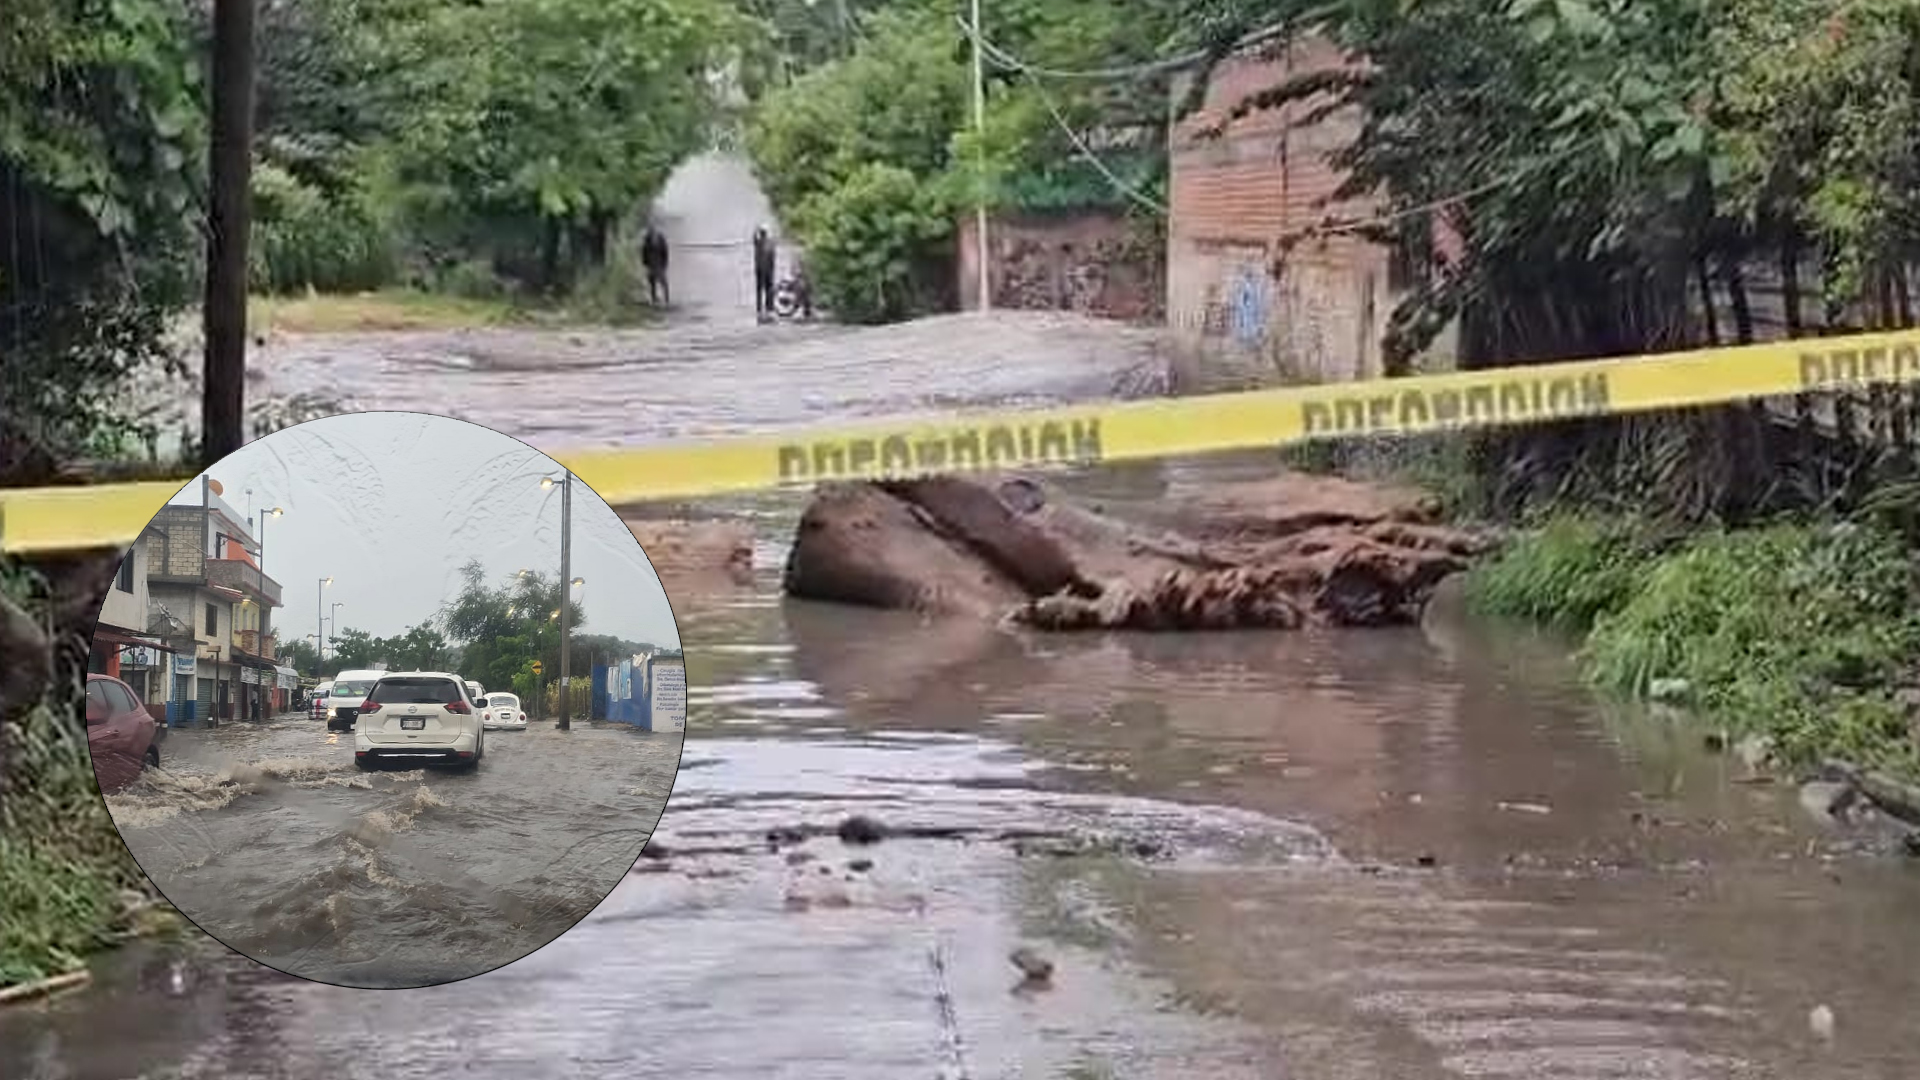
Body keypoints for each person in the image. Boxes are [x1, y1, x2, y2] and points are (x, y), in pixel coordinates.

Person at [641, 225, 670, 306]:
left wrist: (665, 263)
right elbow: (644, 251)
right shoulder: (648, 239)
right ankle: (654, 299)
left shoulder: (660, 239)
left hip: (658, 263)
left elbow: (665, 252)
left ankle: (666, 299)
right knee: (652, 282)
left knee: (662, 281)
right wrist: (645, 263)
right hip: (652, 263)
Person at [752, 226, 776, 319]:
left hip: (764, 270)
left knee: (766, 290)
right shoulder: (764, 243)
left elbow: (773, 258)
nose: (763, 235)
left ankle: (767, 308)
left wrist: (756, 230)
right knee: (764, 290)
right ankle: (764, 309)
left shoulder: (761, 243)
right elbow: (773, 257)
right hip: (763, 270)